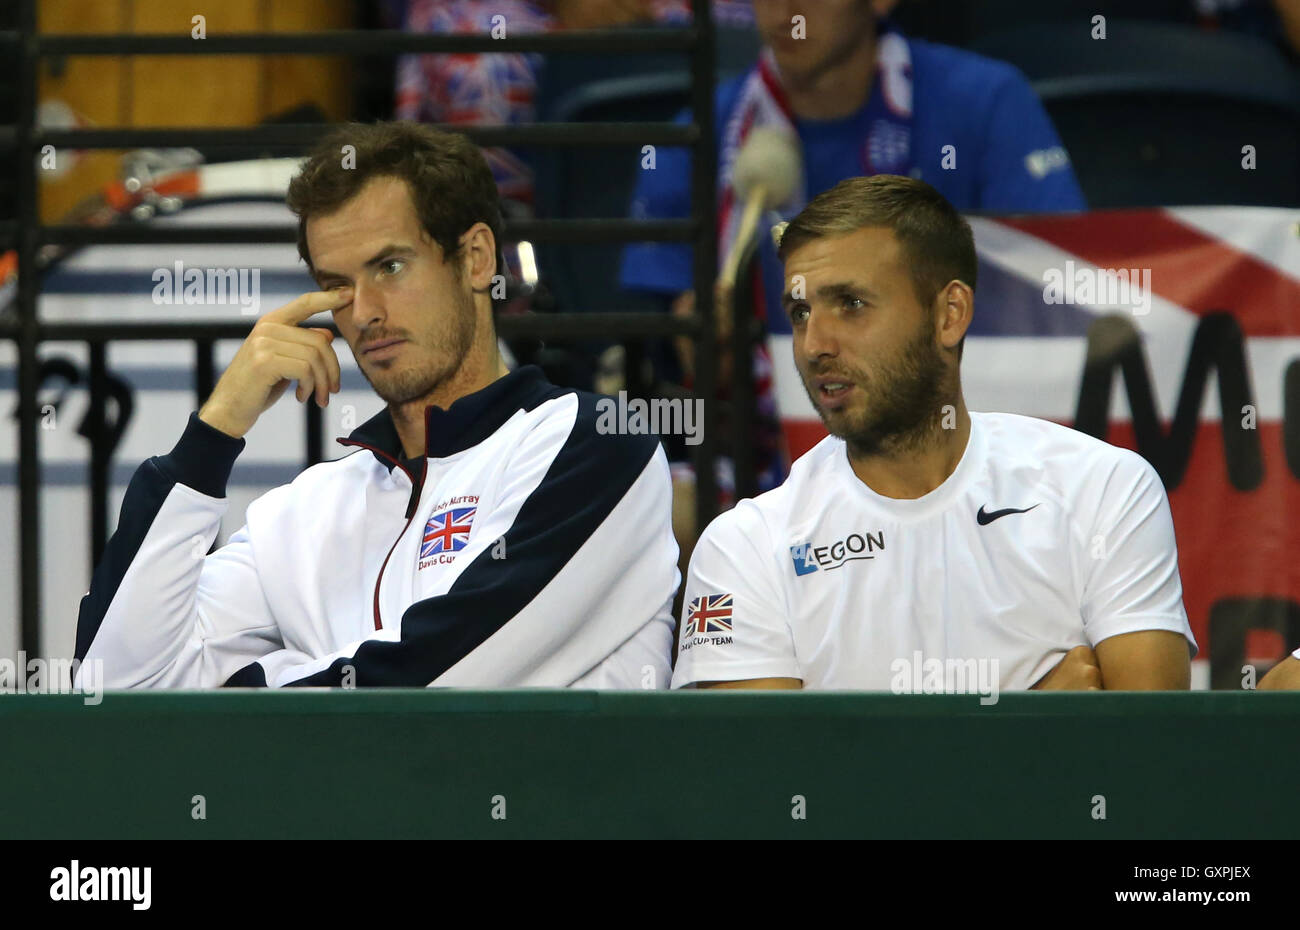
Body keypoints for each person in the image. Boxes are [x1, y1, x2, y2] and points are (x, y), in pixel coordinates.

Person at [74, 121, 679, 690]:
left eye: (389, 267)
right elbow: (117, 682)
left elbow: (433, 687)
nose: (362, 313)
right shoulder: (302, 512)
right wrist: (214, 431)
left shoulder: (597, 443)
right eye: (338, 286)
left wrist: (254, 683)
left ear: (477, 259)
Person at [671, 175, 1195, 691]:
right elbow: (771, 775)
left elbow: (1146, 758)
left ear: (950, 315)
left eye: (851, 304)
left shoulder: (1104, 490)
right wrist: (1026, 725)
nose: (814, 344)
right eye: (801, 311)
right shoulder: (744, 549)